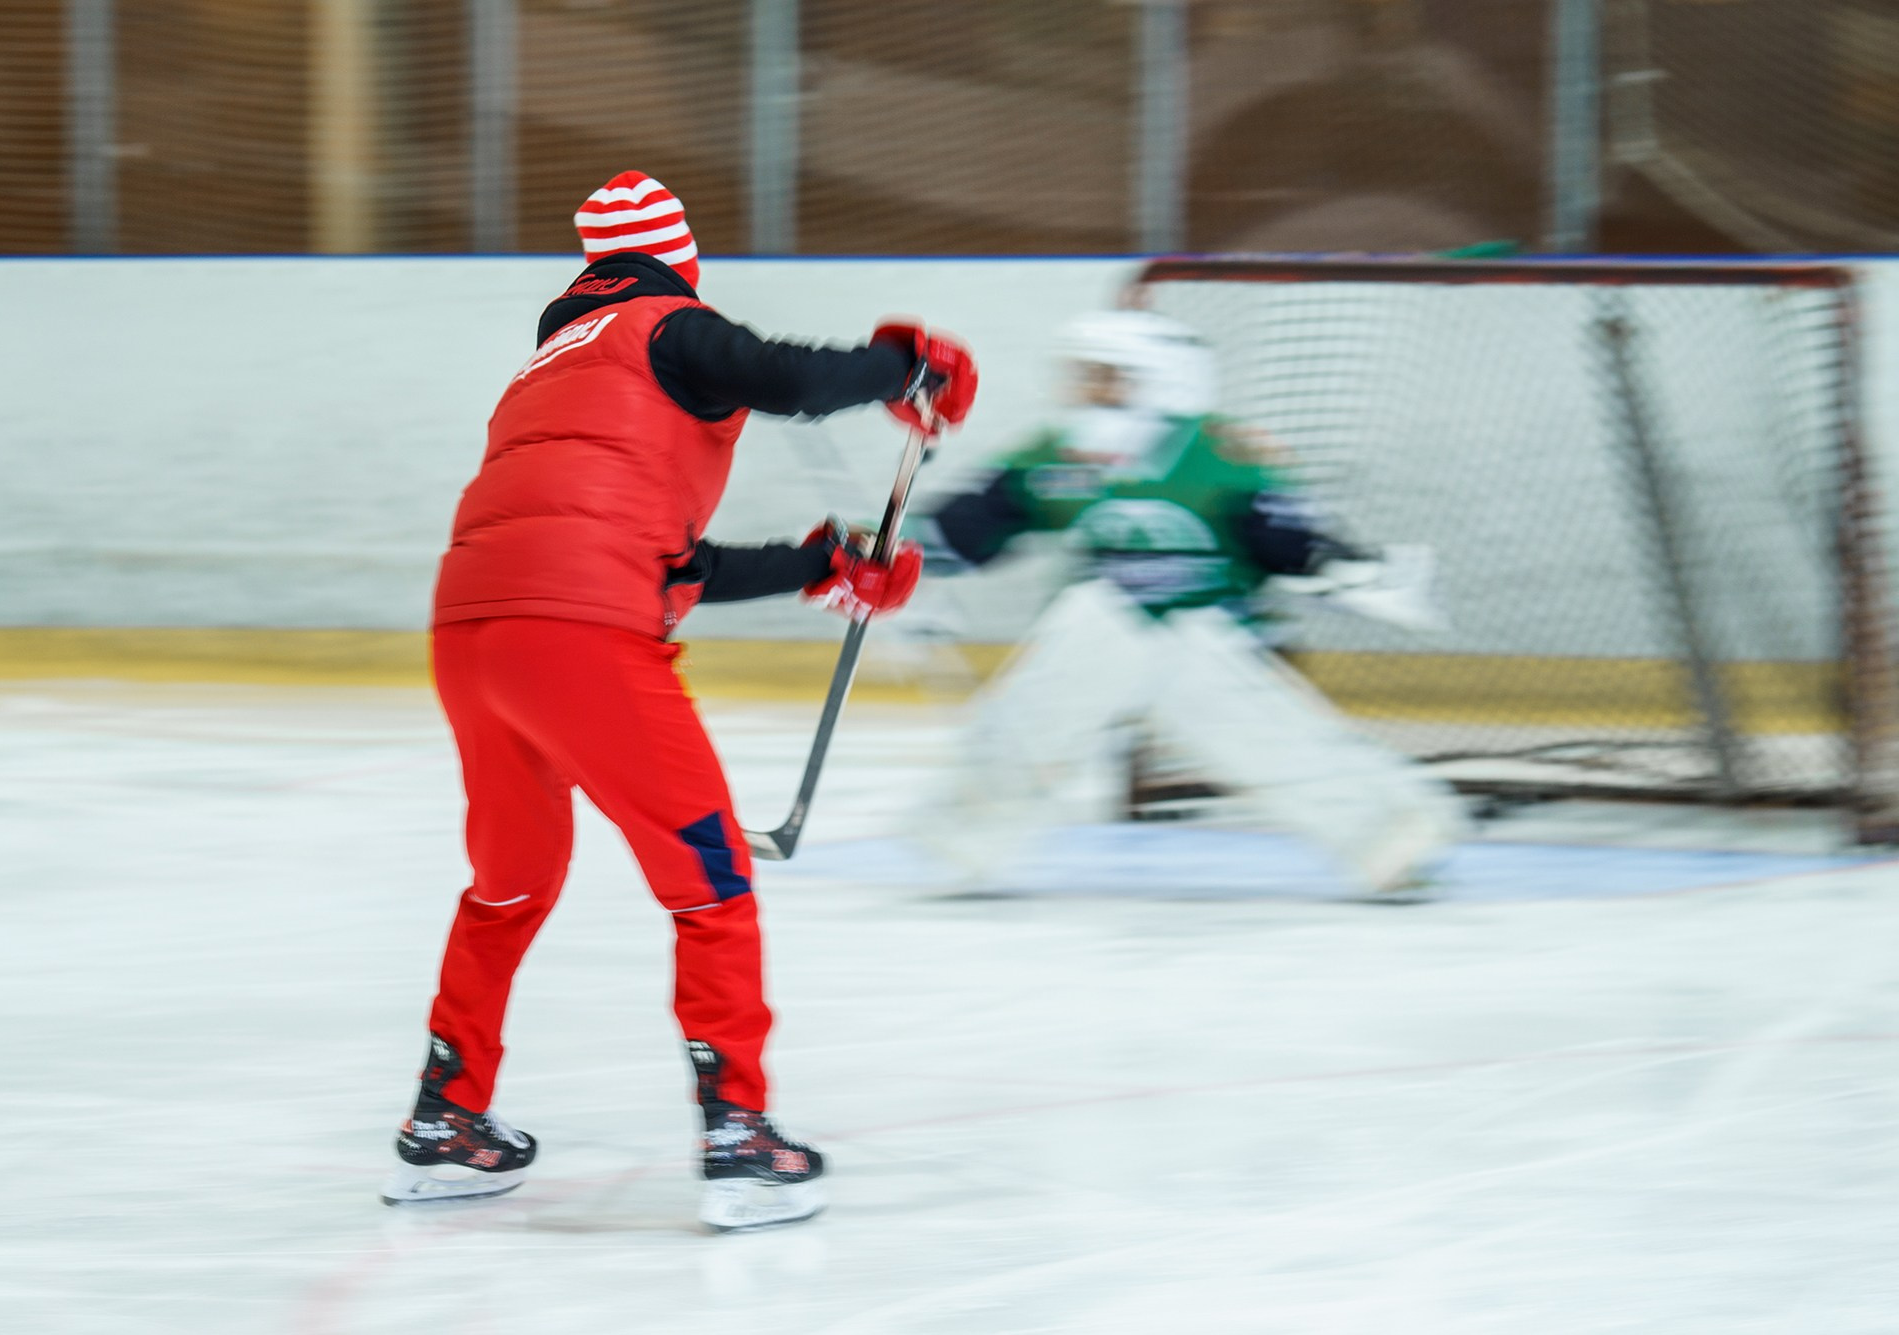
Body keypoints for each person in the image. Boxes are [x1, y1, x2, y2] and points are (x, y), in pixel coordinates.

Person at [383, 171, 976, 1231]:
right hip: (580, 640)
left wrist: (815, 564)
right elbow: (781, 376)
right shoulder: (666, 326)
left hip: (471, 632)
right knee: (710, 881)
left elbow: (658, 560)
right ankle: (740, 1134)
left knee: (509, 885)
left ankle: (445, 1117)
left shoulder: (545, 369)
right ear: (676, 259)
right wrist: (906, 365)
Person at [911, 308, 1459, 895]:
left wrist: (1342, 568)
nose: (1086, 390)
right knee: (1036, 705)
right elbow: (981, 518)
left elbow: (1285, 537)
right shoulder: (1059, 453)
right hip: (1103, 637)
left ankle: (1392, 837)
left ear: (1161, 377)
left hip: (1218, 635)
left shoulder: (1220, 450)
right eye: (1082, 375)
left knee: (1274, 748)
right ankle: (963, 838)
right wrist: (893, 554)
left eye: (1105, 375)